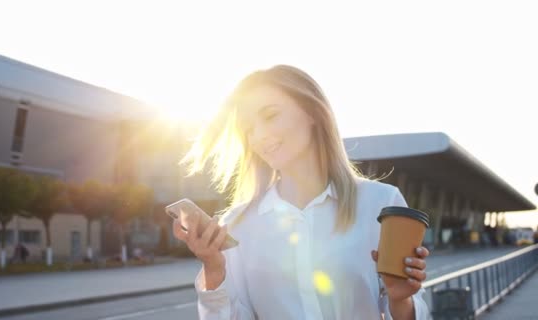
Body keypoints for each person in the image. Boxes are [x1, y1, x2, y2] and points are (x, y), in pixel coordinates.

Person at [173, 65, 430, 319]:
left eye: (270, 116)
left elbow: (408, 310)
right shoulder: (237, 225)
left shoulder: (382, 203)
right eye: (248, 129)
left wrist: (401, 299)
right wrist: (214, 271)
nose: (259, 136)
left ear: (312, 112)